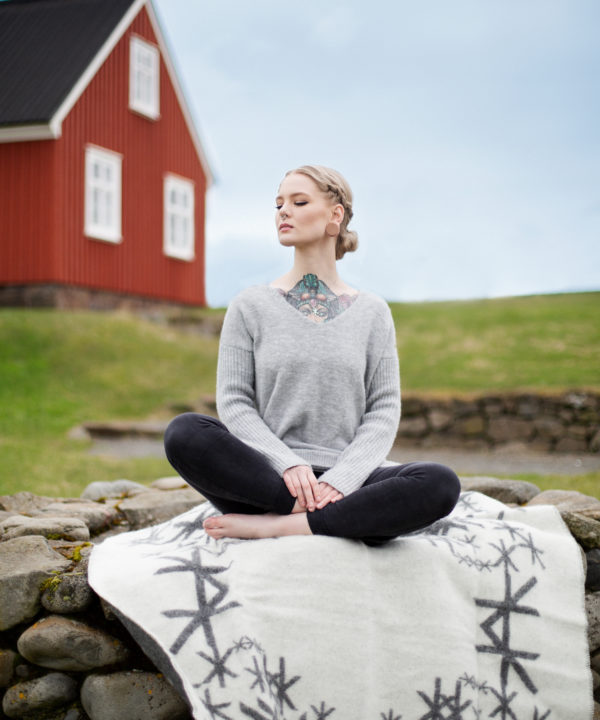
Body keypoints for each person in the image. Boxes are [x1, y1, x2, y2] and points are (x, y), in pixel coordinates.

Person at [164, 165, 460, 545]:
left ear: (335, 215)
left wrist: (343, 479)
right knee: (185, 433)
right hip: (268, 479)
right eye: (279, 203)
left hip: (352, 481)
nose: (283, 211)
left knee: (439, 483)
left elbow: (384, 409)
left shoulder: (373, 312)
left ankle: (279, 526)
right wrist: (288, 464)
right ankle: (331, 520)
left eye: (299, 201)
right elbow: (235, 403)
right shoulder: (249, 305)